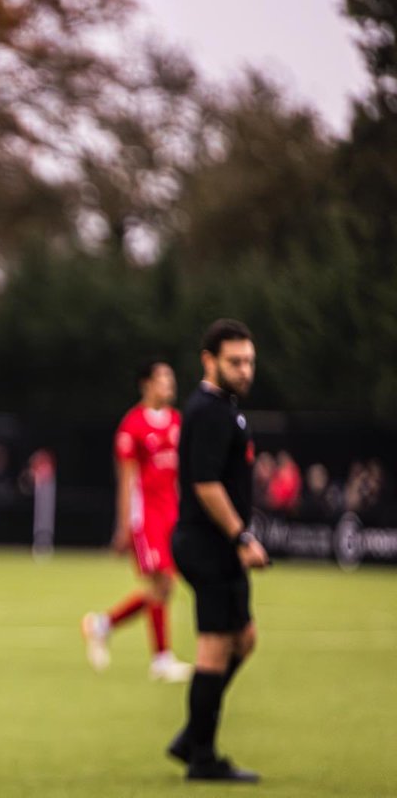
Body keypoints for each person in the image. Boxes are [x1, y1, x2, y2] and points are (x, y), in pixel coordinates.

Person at [166, 319, 269, 783]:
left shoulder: (226, 408)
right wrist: (241, 537)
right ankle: (202, 758)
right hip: (208, 545)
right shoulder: (207, 410)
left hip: (218, 547)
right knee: (214, 647)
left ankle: (192, 735)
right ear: (208, 361)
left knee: (243, 639)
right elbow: (205, 485)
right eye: (235, 362)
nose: (245, 370)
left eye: (249, 361)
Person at [82, 359, 193, 682]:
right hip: (146, 516)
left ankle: (102, 625)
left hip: (171, 513)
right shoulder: (132, 426)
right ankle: (161, 660)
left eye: (171, 379)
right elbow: (127, 480)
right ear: (146, 384)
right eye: (163, 379)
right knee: (160, 582)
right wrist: (123, 526)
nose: (169, 385)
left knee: (164, 586)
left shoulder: (176, 421)